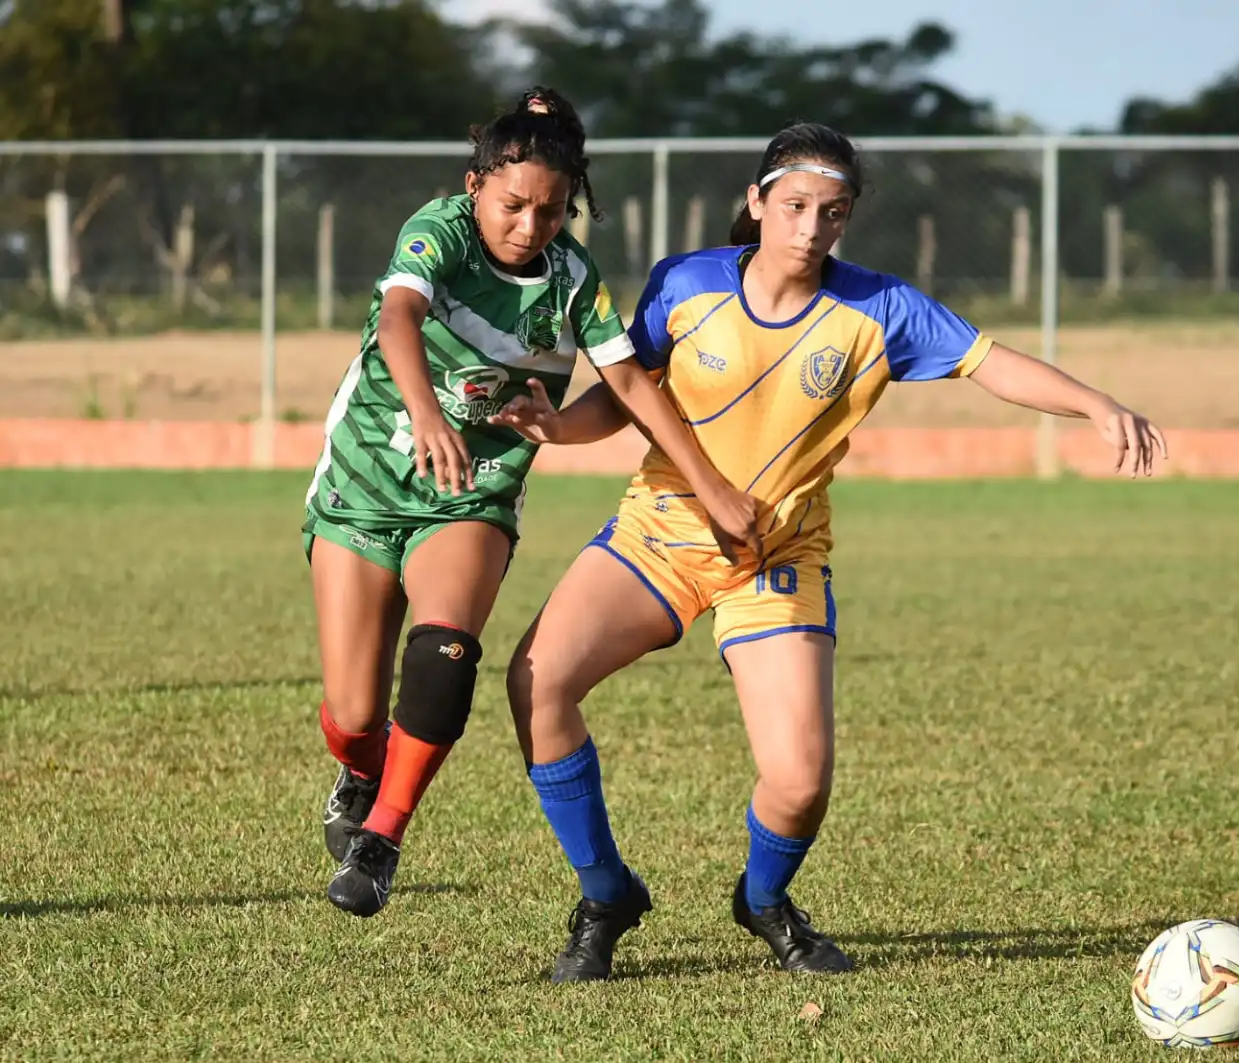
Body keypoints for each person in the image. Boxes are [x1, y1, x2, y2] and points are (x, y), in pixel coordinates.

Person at [495, 121, 1167, 981]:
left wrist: (1097, 403)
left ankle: (765, 900)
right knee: (537, 682)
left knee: (801, 780)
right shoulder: (687, 282)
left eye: (833, 212)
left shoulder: (878, 309)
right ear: (759, 202)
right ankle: (605, 895)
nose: (812, 228)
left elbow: (990, 362)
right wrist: (559, 423)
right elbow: (629, 393)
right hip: (657, 537)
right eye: (798, 206)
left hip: (777, 560)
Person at [305, 87, 755, 918]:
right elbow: (400, 317)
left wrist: (713, 486)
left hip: (470, 491)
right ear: (476, 184)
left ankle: (383, 838)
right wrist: (428, 412)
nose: (529, 225)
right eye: (513, 205)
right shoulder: (437, 229)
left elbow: (631, 384)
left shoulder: (575, 280)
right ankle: (360, 768)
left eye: (551, 212)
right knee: (354, 709)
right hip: (364, 482)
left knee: (444, 655)